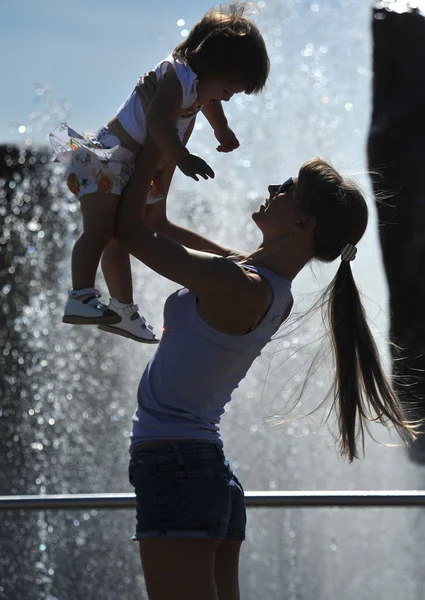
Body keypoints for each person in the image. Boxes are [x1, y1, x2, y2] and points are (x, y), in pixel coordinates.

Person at [116, 119, 416, 598]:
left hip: (177, 469)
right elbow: (156, 226)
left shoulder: (238, 284)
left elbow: (129, 230)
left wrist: (132, 154)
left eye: (288, 188)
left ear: (304, 223)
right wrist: (165, 154)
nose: (274, 188)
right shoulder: (260, 283)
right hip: (202, 472)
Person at [48, 2, 270, 343]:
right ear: (211, 64)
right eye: (227, 90)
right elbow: (156, 121)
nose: (226, 98)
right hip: (107, 158)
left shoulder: (197, 85)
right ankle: (80, 295)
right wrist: (182, 157)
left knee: (119, 239)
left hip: (129, 166)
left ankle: (122, 310)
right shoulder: (176, 76)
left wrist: (221, 130)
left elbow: (208, 103)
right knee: (102, 229)